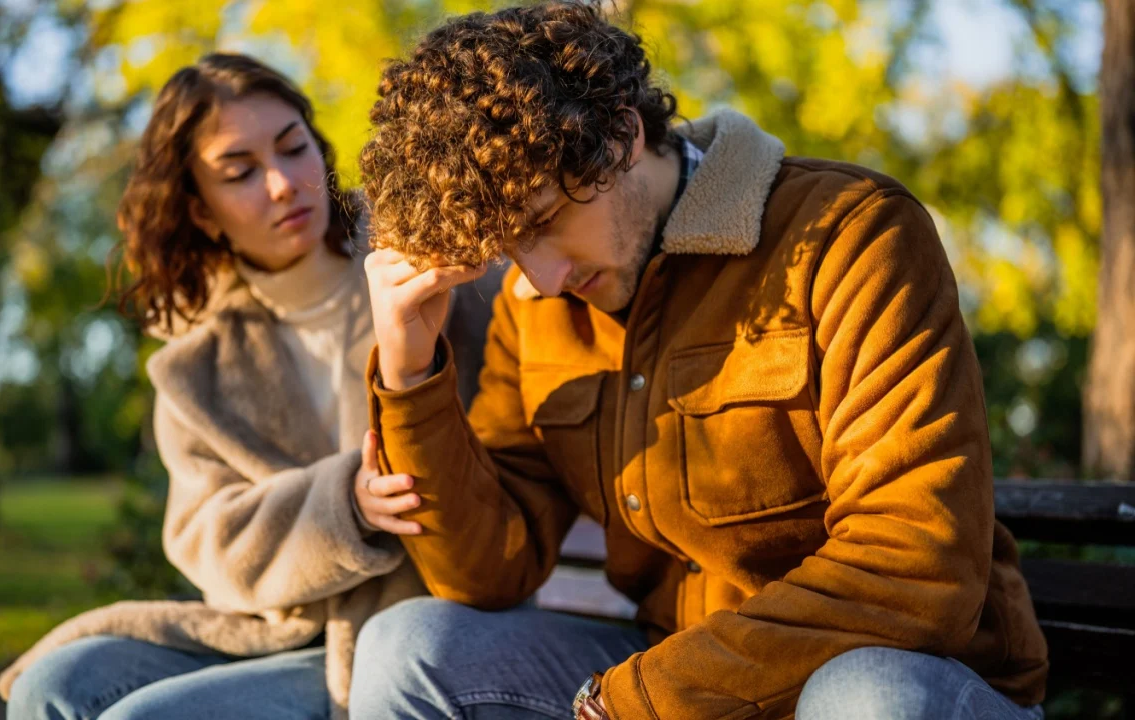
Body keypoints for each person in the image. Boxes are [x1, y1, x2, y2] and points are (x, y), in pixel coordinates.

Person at [349, 3, 1049, 719]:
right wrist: (409, 368)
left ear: (622, 134)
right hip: (671, 680)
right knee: (409, 648)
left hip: (905, 681)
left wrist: (639, 701)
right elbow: (489, 571)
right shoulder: (535, 301)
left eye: (544, 222)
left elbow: (914, 565)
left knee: (864, 699)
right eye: (508, 248)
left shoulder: (850, 234)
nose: (541, 278)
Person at [0, 52, 494, 720]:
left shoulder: (420, 268)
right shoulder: (195, 360)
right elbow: (210, 537)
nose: (284, 184)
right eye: (241, 173)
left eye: (294, 150)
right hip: (273, 625)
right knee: (50, 687)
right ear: (202, 213)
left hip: (400, 624)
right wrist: (342, 504)